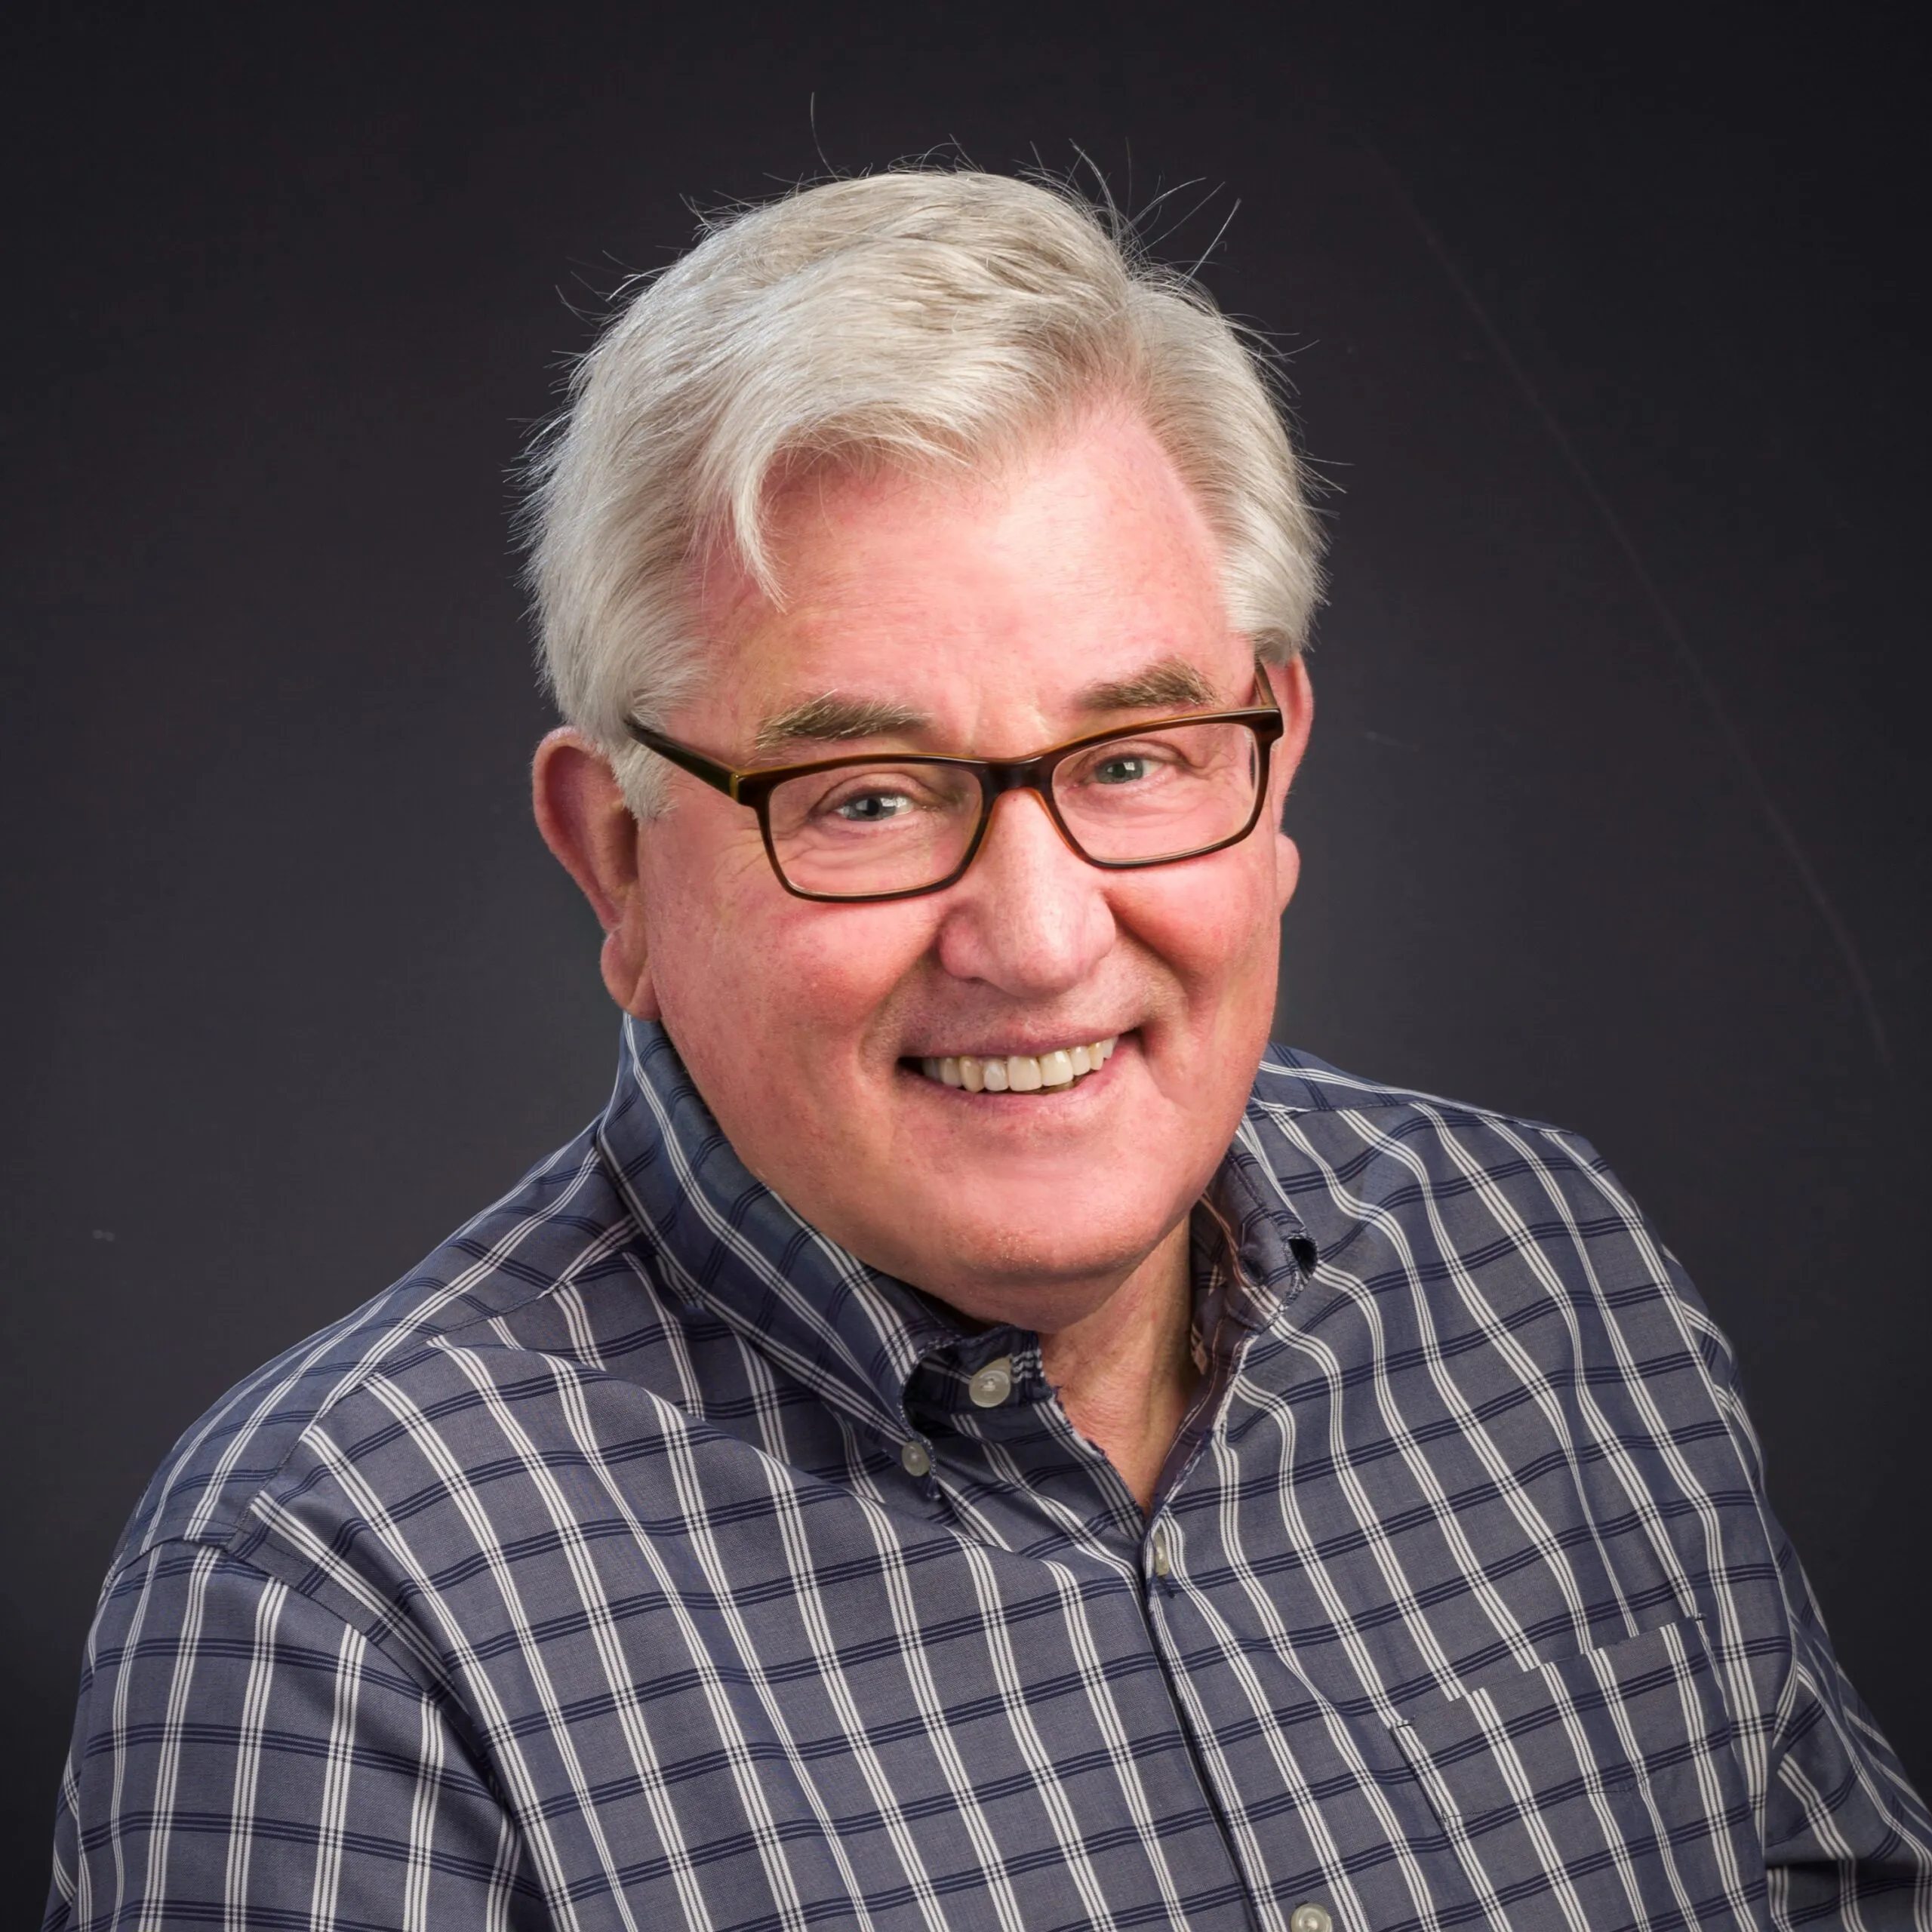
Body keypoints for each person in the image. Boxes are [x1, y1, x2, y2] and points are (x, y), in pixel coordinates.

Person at [45, 169, 1931, 1932]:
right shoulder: (331, 1603)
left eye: (1128, 762)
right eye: (864, 796)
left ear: (1267, 762)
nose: (1035, 938)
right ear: (616, 857)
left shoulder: (1545, 1270)